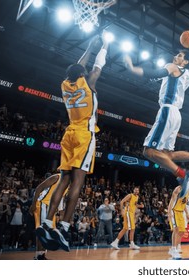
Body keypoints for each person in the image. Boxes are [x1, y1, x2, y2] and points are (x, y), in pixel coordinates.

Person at [36, 32, 110, 252]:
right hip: (84, 135)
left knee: (63, 180)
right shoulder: (88, 82)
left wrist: (89, 46)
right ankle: (65, 228)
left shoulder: (65, 84)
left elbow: (78, 66)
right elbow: (97, 66)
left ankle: (48, 223)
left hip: (68, 134)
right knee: (78, 182)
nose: (87, 71)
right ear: (82, 75)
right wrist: (104, 45)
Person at [123, 46, 189, 199]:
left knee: (148, 151)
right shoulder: (188, 74)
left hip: (167, 111)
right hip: (176, 114)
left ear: (184, 61)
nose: (175, 56)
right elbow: (188, 62)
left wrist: (132, 68)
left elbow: (155, 74)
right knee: (168, 155)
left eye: (179, 55)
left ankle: (183, 175)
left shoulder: (172, 67)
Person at [30, 173, 68, 259]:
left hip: (51, 209)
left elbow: (60, 197)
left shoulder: (69, 184)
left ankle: (42, 254)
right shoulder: (56, 177)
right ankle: (38, 256)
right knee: (42, 230)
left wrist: (61, 212)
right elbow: (38, 188)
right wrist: (33, 204)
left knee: (47, 232)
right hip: (42, 204)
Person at [167, 185, 189, 259]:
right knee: (176, 229)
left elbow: (184, 203)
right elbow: (172, 200)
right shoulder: (179, 189)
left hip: (181, 213)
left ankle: (175, 248)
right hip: (174, 211)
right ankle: (173, 249)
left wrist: (187, 213)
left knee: (182, 231)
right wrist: (169, 212)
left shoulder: (188, 191)